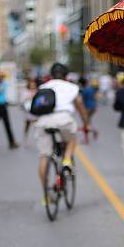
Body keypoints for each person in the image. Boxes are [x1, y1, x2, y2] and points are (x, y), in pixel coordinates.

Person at [34, 63, 89, 202]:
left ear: (51, 75)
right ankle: (66, 161)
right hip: (64, 121)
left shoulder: (43, 87)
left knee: (44, 156)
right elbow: (81, 108)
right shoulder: (72, 87)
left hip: (43, 122)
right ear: (66, 75)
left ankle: (46, 194)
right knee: (72, 140)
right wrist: (86, 123)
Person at [79, 76, 99, 140]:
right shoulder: (91, 88)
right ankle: (88, 136)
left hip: (87, 108)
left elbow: (81, 100)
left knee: (86, 123)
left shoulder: (84, 90)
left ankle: (92, 133)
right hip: (93, 106)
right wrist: (96, 106)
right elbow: (95, 97)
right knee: (88, 121)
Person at [22, 78, 39, 146]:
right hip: (28, 110)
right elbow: (23, 100)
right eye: (31, 85)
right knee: (27, 125)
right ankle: (26, 139)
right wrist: (30, 96)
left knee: (37, 126)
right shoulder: (26, 92)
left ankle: (38, 139)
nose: (32, 86)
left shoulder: (37, 91)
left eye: (34, 85)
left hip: (36, 110)